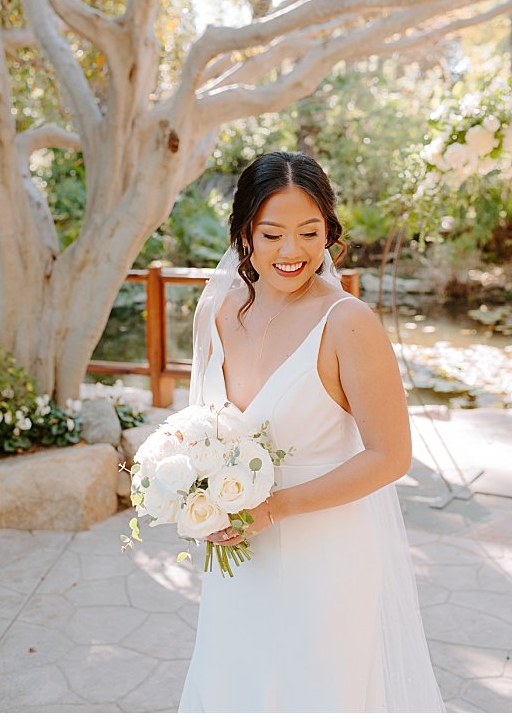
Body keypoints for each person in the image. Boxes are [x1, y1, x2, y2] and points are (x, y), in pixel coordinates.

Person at [178, 151, 444, 712]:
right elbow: (199, 423)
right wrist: (189, 487)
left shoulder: (349, 323)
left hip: (325, 552)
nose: (292, 251)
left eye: (309, 232)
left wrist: (274, 507)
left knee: (313, 693)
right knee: (234, 684)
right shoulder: (218, 311)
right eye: (272, 234)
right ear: (245, 233)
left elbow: (391, 455)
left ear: (329, 231)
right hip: (236, 550)